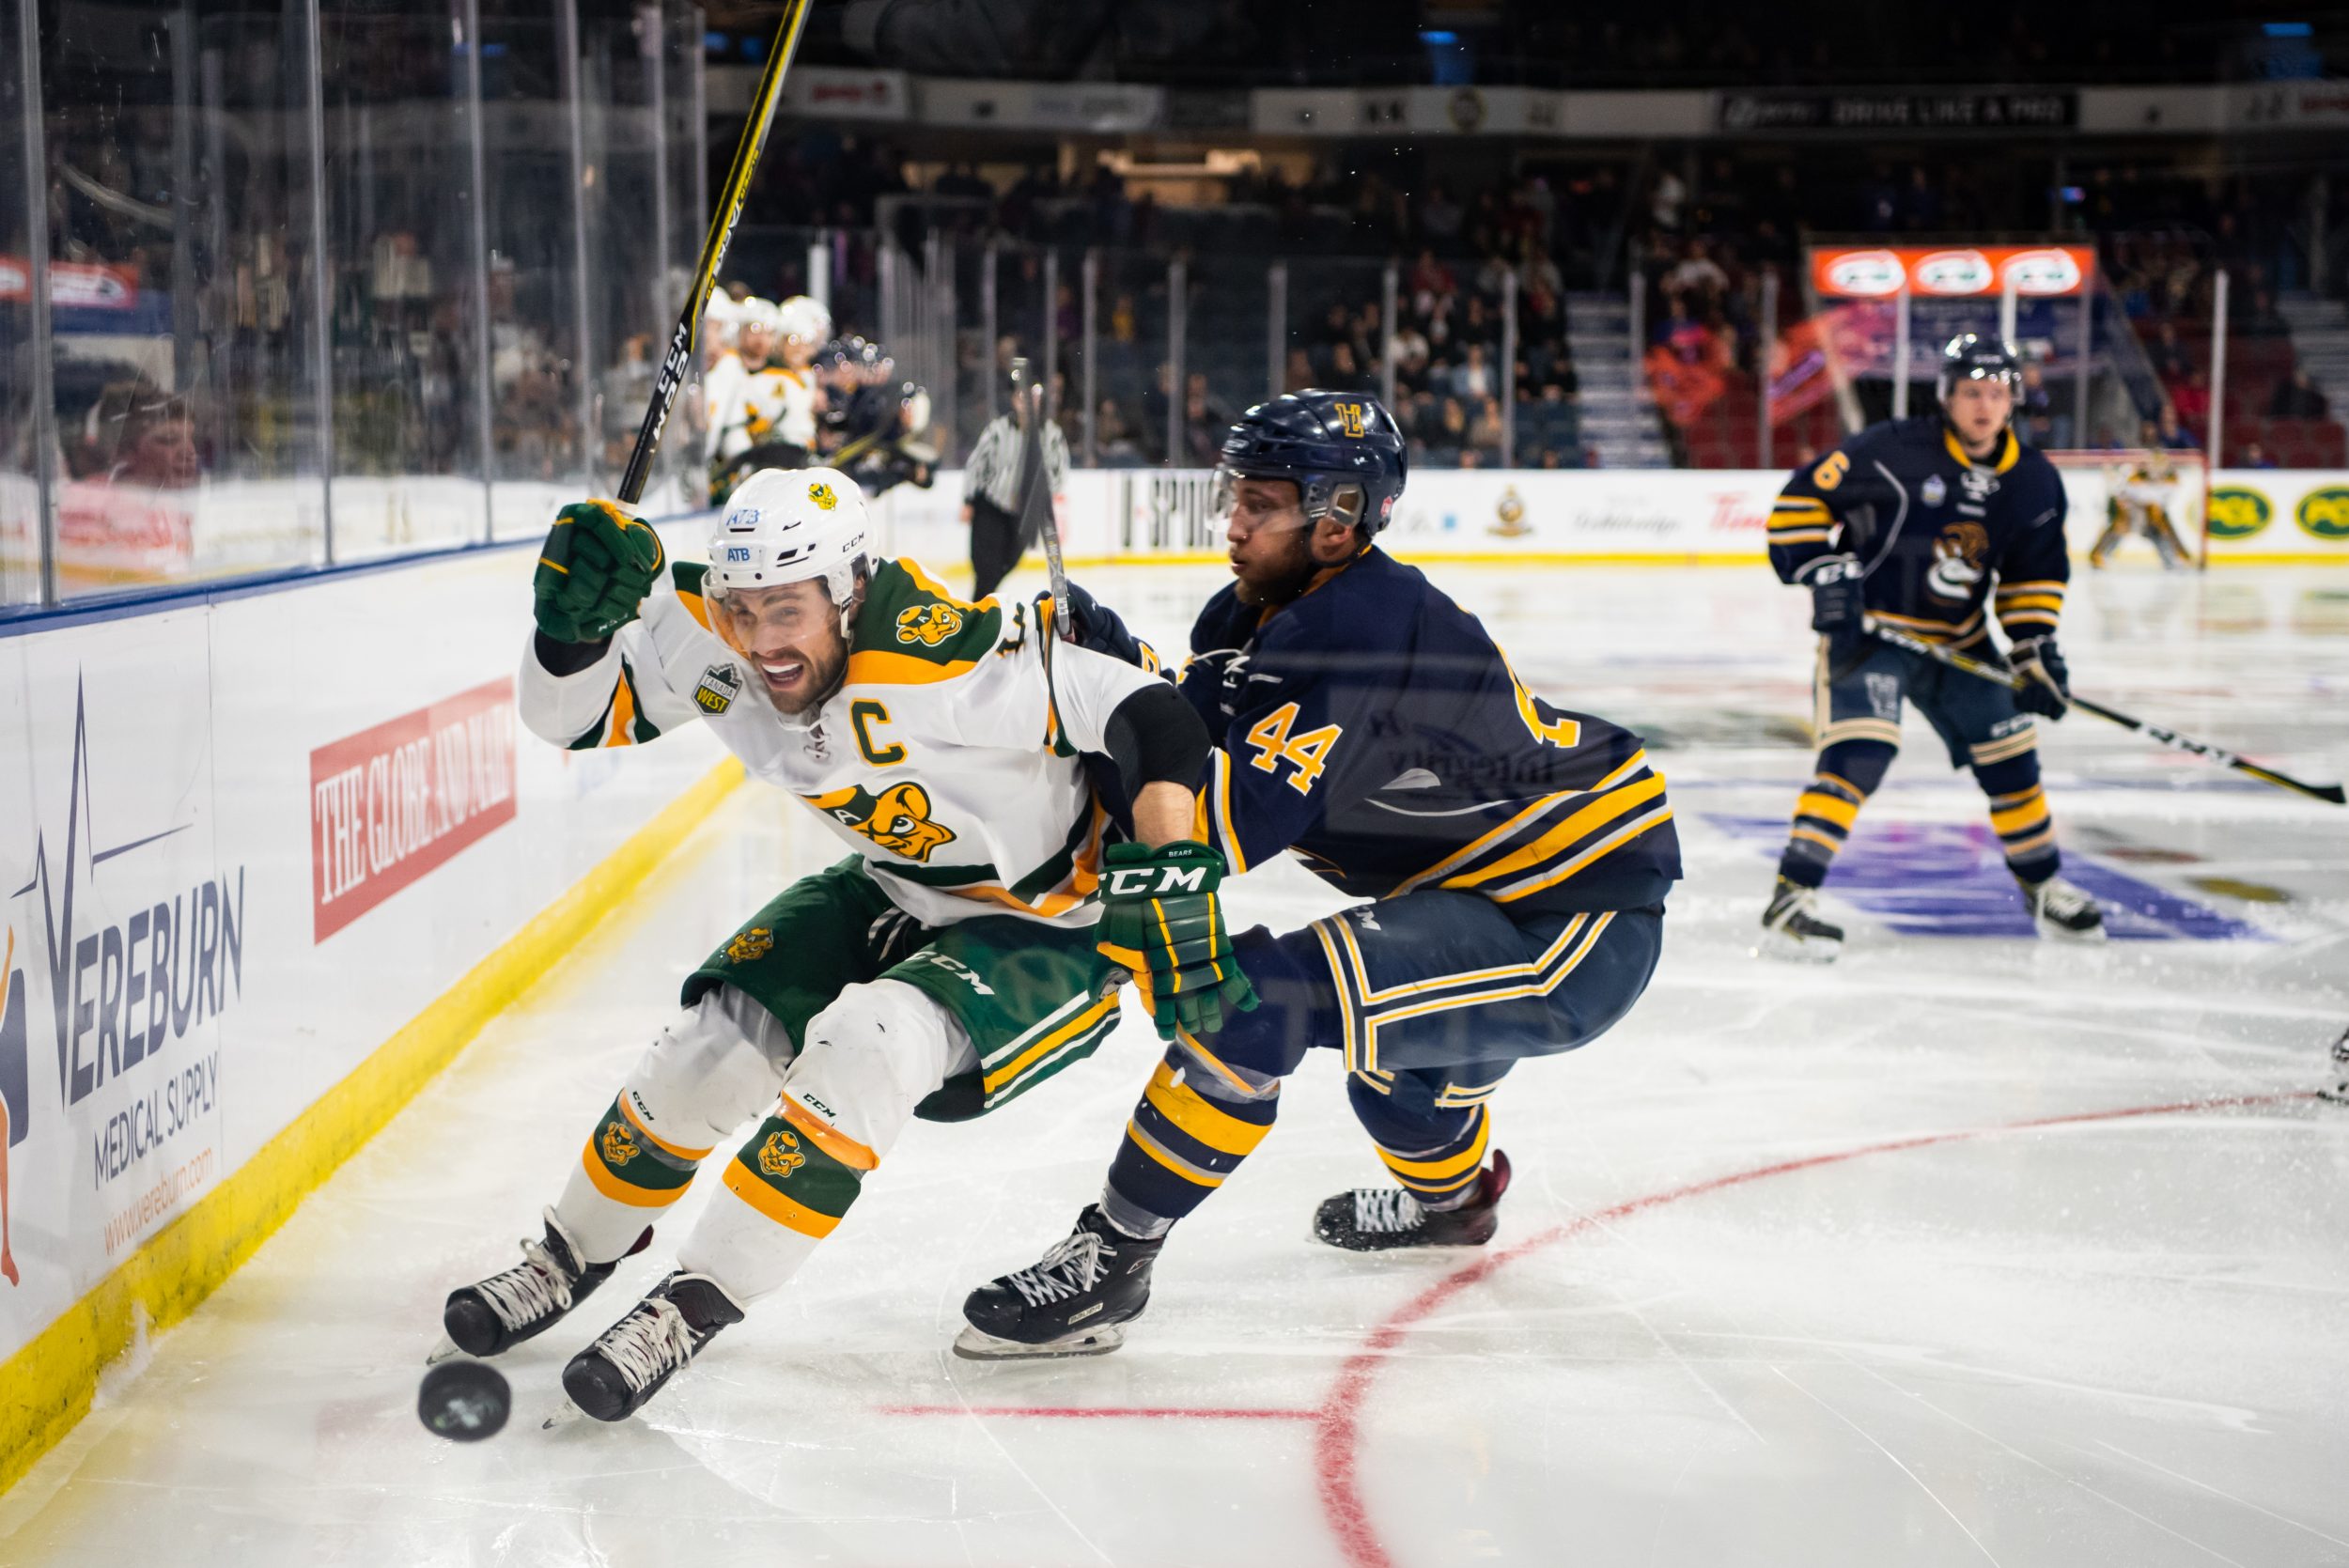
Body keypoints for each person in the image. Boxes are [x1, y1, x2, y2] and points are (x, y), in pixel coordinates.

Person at [440, 467, 1209, 1422]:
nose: (760, 641)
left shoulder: (944, 654)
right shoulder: (712, 632)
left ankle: (692, 1303)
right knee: (712, 1044)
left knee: (869, 1044)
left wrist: (1169, 865)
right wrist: (570, 630)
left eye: (787, 611)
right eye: (741, 608)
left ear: (850, 591)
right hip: (897, 884)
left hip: (1051, 923)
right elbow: (574, 716)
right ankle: (569, 1253)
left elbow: (1159, 718)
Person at [955, 391, 1681, 1359]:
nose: (1233, 523)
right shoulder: (1252, 611)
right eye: (1236, 497)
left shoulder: (1355, 631)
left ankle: (1114, 1259)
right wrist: (1118, 666)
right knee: (1396, 1084)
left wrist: (1097, 724)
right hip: (1482, 892)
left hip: (1572, 917)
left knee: (1258, 1002)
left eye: (1259, 504)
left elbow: (1209, 832)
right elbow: (1187, 727)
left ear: (1338, 520)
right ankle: (1457, 1206)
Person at [1759, 334, 2104, 960]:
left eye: (1996, 393)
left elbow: (2032, 575)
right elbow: (1800, 503)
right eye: (1971, 392)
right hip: (1873, 635)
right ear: (1947, 396)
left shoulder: (2032, 481)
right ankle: (1793, 895)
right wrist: (1825, 570)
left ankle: (2043, 884)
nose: (1984, 405)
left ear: (2013, 400)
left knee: (2012, 760)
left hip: (1959, 642)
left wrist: (2032, 649)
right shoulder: (1889, 449)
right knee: (1858, 755)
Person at [959, 387, 1068, 598]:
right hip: (992, 506)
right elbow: (976, 465)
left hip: (1024, 514)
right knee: (986, 569)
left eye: (1033, 397)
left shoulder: (1051, 434)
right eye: (1022, 396)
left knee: (1007, 563)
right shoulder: (998, 429)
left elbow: (1059, 471)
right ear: (1014, 400)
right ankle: (980, 609)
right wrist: (968, 499)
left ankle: (981, 605)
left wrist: (1041, 496)